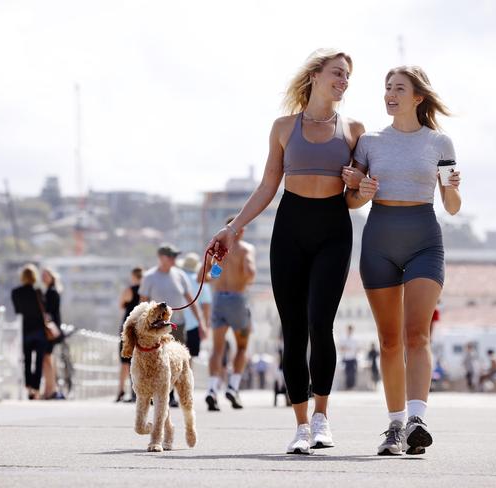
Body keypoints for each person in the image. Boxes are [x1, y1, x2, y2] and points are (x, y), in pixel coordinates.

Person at [207, 49, 364, 454]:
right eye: (337, 73)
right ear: (315, 75)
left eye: (348, 76)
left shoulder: (354, 130)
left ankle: (322, 418)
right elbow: (267, 186)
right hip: (289, 231)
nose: (344, 81)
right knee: (292, 332)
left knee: (319, 325)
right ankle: (299, 425)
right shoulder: (282, 127)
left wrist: (358, 184)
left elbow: (354, 199)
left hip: (333, 230)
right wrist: (232, 228)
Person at [346, 65, 462, 455]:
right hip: (378, 238)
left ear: (418, 97)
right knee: (389, 340)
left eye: (399, 88)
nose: (390, 94)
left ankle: (417, 419)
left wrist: (454, 188)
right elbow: (352, 200)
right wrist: (361, 189)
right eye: (387, 88)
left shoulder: (440, 143)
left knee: (417, 333)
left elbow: (452, 205)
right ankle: (395, 426)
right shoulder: (369, 142)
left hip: (424, 241)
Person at [139, 243, 205, 408]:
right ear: (161, 258)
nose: (175, 259)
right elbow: (142, 303)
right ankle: (154, 392)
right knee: (156, 360)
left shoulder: (180, 275)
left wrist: (200, 323)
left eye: (176, 256)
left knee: (173, 360)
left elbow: (191, 300)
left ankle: (171, 394)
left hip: (177, 325)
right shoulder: (149, 277)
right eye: (172, 256)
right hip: (155, 327)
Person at [204, 216, 256, 411]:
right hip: (237, 299)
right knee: (242, 346)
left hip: (218, 298)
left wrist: (220, 272)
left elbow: (206, 276)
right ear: (240, 230)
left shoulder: (217, 250)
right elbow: (250, 274)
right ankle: (233, 387)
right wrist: (242, 272)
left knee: (217, 349)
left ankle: (211, 390)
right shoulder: (245, 249)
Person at [11, 264, 48, 400]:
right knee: (38, 362)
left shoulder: (16, 292)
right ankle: (36, 389)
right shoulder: (38, 291)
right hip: (39, 330)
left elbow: (17, 311)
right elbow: (45, 309)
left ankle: (28, 388)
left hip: (25, 330)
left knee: (26, 360)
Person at [179, 253, 212, 368]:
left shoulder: (179, 277)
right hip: (194, 324)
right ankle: (186, 384)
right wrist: (206, 326)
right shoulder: (201, 281)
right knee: (190, 357)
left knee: (175, 355)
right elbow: (206, 305)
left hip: (177, 322)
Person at [116, 267, 143, 403]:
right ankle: (137, 391)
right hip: (140, 327)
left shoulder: (129, 290)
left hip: (128, 327)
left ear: (133, 276)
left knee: (125, 361)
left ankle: (121, 390)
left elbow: (121, 304)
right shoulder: (146, 291)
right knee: (139, 359)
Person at [41, 268, 65, 400]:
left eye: (45, 275)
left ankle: (50, 390)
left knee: (47, 359)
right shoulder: (52, 291)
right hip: (53, 329)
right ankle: (49, 389)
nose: (43, 277)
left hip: (49, 330)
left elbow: (50, 312)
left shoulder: (51, 292)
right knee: (48, 359)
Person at [339, 324, 359, 390]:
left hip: (353, 358)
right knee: (347, 373)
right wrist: (347, 348)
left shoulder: (355, 338)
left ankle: (352, 386)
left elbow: (357, 349)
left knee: (353, 373)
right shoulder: (343, 338)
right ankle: (348, 386)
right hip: (346, 358)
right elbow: (341, 348)